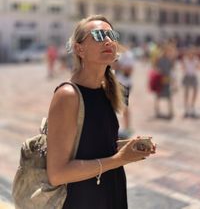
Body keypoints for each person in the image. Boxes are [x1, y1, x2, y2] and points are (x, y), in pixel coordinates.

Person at [47, 15, 156, 209]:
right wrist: (119, 159)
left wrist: (129, 147)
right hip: (82, 200)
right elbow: (57, 174)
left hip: (111, 193)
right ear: (80, 49)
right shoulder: (68, 95)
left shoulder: (109, 90)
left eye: (111, 35)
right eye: (98, 35)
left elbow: (93, 145)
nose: (108, 40)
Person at [114, 47, 135, 139]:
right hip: (117, 82)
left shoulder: (128, 55)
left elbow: (129, 71)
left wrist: (118, 65)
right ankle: (123, 128)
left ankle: (127, 128)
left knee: (124, 106)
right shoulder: (118, 54)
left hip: (124, 84)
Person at [153, 42, 177, 119]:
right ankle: (157, 111)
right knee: (158, 96)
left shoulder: (169, 59)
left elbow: (172, 69)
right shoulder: (160, 59)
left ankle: (170, 112)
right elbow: (156, 67)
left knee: (169, 96)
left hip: (167, 80)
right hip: (161, 80)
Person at [181, 47, 200, 118]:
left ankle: (192, 106)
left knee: (195, 91)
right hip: (187, 76)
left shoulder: (196, 60)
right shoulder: (185, 60)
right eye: (189, 53)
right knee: (186, 92)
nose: (191, 54)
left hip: (193, 76)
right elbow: (183, 68)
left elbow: (198, 68)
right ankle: (186, 107)